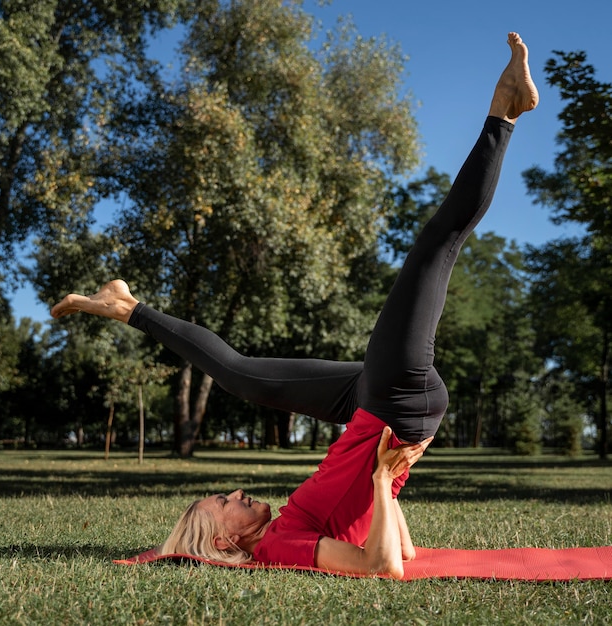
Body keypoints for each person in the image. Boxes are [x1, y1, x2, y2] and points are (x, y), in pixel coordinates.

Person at [51, 33, 539, 579]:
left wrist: (390, 484)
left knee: (242, 375)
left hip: (371, 409)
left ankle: (128, 306)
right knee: (436, 245)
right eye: (224, 501)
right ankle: (504, 112)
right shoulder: (276, 548)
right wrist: (382, 478)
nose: (235, 491)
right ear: (223, 537)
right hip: (396, 405)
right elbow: (384, 569)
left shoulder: (281, 528)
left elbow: (404, 551)